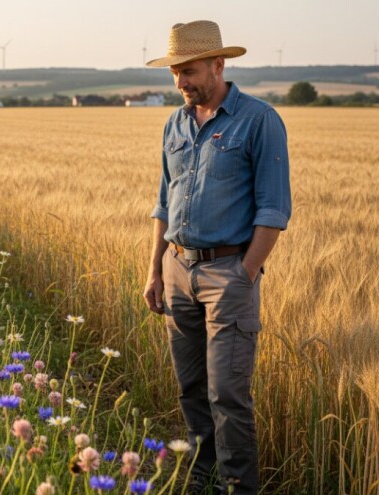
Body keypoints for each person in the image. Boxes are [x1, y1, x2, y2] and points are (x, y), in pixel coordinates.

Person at [142, 20, 292, 495]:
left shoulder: (258, 119)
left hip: (227, 273)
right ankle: (201, 479)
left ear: (217, 64)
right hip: (177, 268)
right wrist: (155, 271)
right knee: (191, 390)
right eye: (173, 73)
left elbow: (273, 210)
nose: (180, 82)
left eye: (187, 71)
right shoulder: (175, 122)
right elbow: (165, 202)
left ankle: (237, 487)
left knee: (228, 395)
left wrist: (243, 275)